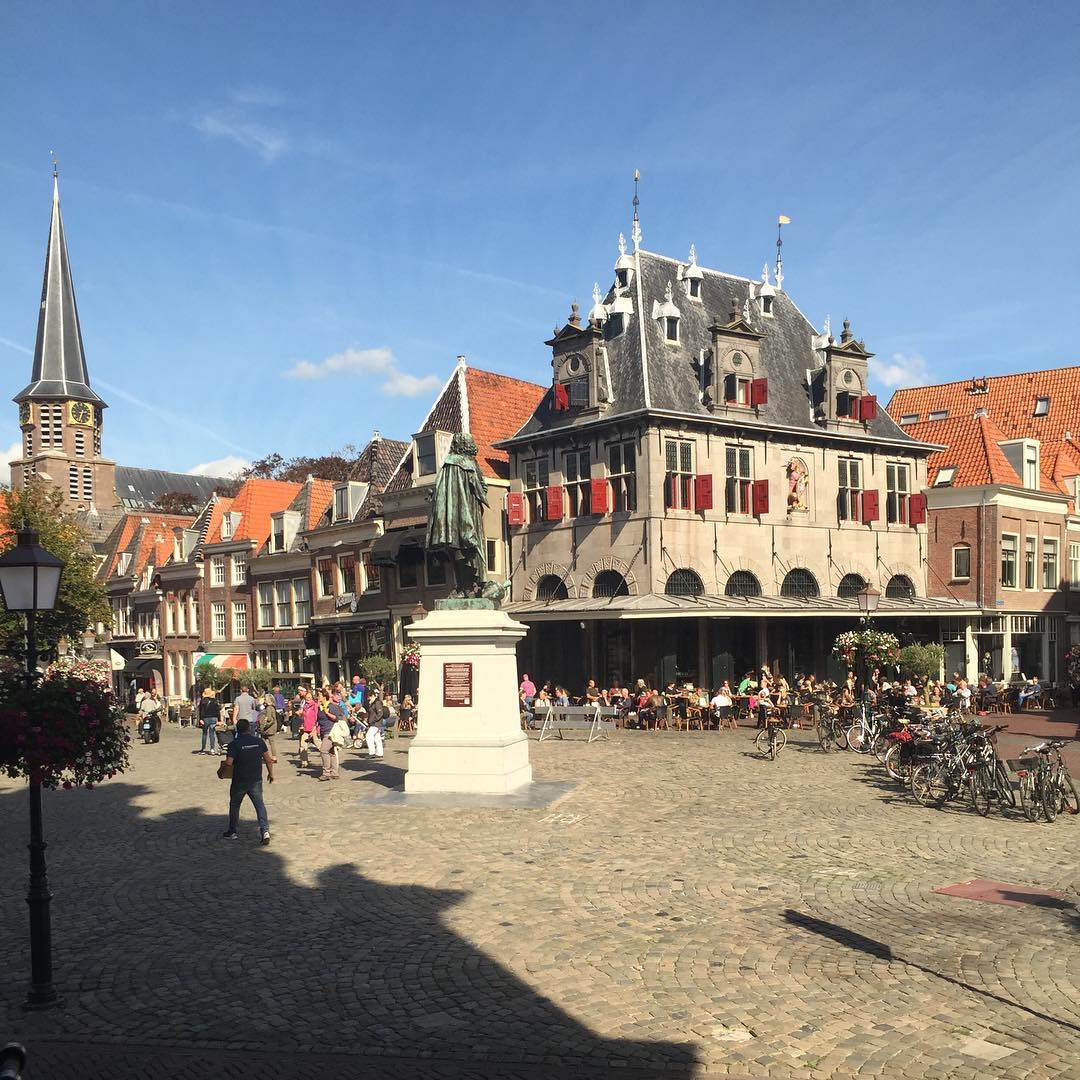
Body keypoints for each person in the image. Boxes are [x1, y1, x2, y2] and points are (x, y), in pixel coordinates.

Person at [221, 718, 273, 844]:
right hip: (255, 779)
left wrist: (221, 772)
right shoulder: (259, 741)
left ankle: (232, 831)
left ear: (237, 730)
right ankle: (265, 831)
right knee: (259, 805)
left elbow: (229, 763)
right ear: (249, 729)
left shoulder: (234, 744)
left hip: (240, 780)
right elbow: (268, 759)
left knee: (235, 805)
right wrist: (271, 773)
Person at [316, 690, 339, 782]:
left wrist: (327, 713)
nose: (318, 697)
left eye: (319, 696)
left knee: (323, 750)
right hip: (323, 731)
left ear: (324, 697)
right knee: (331, 752)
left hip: (330, 732)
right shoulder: (320, 707)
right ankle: (334, 773)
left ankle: (326, 773)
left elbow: (336, 718)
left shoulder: (331, 706)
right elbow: (318, 720)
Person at [297, 686, 320, 768]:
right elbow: (303, 717)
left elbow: (317, 717)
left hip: (313, 728)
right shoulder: (305, 706)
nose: (308, 699)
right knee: (303, 745)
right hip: (306, 728)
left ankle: (327, 757)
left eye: (309, 697)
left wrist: (315, 727)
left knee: (319, 745)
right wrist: (302, 725)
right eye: (307, 697)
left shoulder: (315, 705)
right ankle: (304, 762)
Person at [198, 687, 221, 755]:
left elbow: (201, 711)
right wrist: (219, 720)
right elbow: (218, 711)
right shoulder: (215, 701)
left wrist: (201, 719)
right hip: (214, 718)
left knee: (204, 733)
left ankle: (203, 749)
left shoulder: (203, 701)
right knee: (212, 734)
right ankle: (212, 749)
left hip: (205, 718)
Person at [258, 693, 279, 762]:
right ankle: (272, 757)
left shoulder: (269, 708)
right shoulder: (271, 707)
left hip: (269, 728)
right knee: (269, 742)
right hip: (271, 727)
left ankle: (272, 757)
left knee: (269, 742)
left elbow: (269, 719)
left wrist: (263, 726)